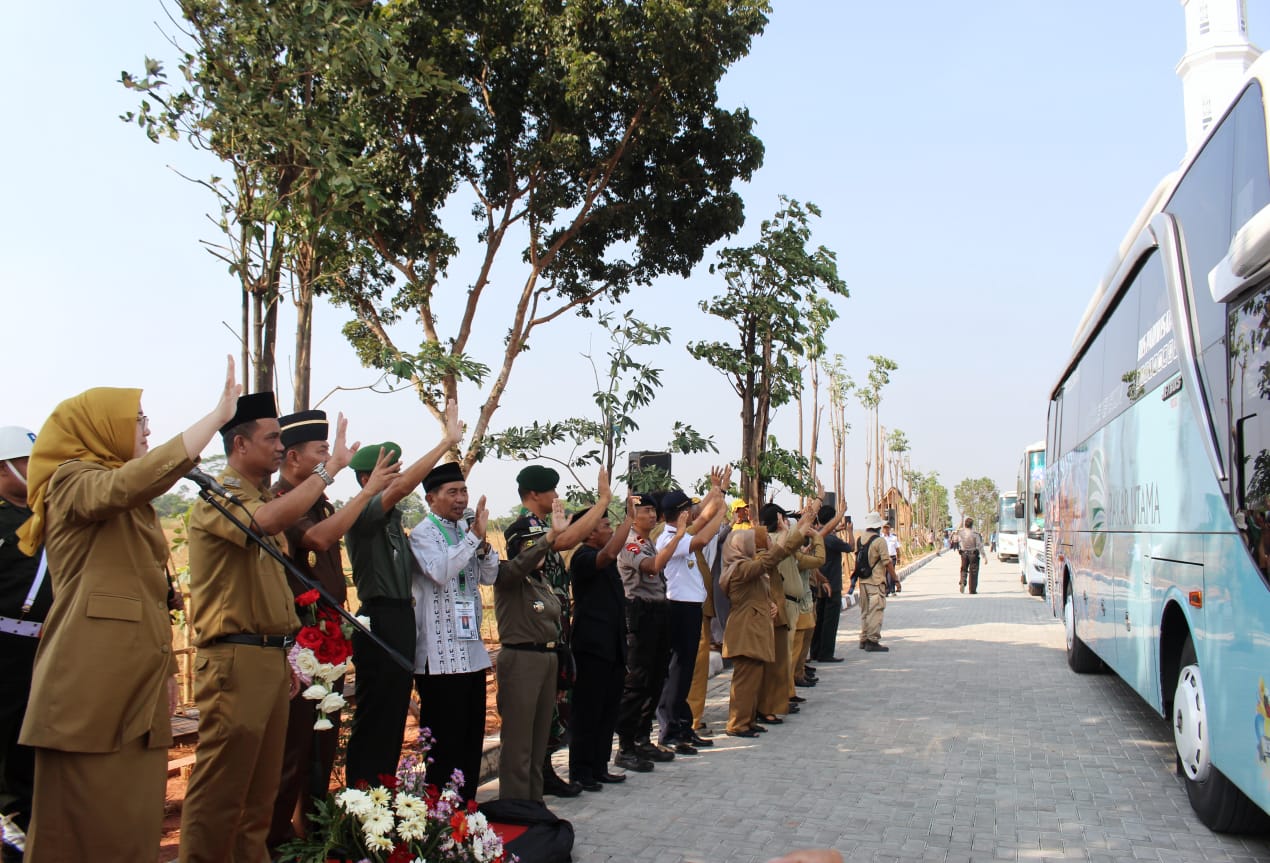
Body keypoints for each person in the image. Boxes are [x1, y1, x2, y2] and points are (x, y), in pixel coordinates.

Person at [17, 360, 238, 862]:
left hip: (134, 689)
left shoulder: (129, 499)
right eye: (138, 420)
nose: (147, 429)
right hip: (89, 692)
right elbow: (125, 485)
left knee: (131, 828)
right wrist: (214, 418)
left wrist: (163, 672)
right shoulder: (70, 481)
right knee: (79, 834)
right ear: (102, 426)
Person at [180, 389, 356, 863]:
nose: (281, 448)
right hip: (235, 657)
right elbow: (263, 522)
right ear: (240, 446)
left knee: (260, 796)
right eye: (273, 437)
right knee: (222, 790)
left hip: (273, 657)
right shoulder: (223, 494)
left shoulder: (262, 496)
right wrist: (329, 469)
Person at [267, 410, 400, 852]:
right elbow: (320, 540)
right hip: (298, 641)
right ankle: (278, 841)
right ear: (292, 457)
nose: (329, 456)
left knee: (323, 743)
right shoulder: (282, 500)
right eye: (321, 451)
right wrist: (366, 495)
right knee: (294, 750)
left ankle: (316, 834)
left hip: (328, 636)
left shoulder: (318, 502)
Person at [343, 407, 461, 789]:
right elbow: (403, 488)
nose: (396, 481)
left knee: (393, 714)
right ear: (366, 479)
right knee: (376, 713)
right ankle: (361, 795)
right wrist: (445, 443)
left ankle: (383, 790)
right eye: (388, 473)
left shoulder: (391, 519)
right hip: (379, 616)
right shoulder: (363, 514)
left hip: (401, 618)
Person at [503, 464, 611, 796]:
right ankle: (530, 787)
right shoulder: (524, 527)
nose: (556, 497)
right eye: (551, 491)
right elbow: (561, 542)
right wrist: (602, 502)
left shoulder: (543, 524)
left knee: (554, 710)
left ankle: (541, 776)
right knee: (533, 721)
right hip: (530, 634)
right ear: (534, 494)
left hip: (554, 632)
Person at [409, 460, 498, 802]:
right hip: (439, 659)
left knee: (470, 739)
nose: (461, 499)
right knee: (444, 745)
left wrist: (483, 544)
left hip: (471, 655)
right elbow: (441, 571)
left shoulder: (465, 532)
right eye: (452, 492)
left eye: (464, 491)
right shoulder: (422, 534)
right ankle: (440, 818)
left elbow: (488, 577)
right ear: (431, 498)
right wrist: (474, 537)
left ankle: (467, 813)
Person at [721, 508, 815, 738]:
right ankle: (737, 724)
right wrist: (790, 535)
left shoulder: (744, 567)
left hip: (753, 629)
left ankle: (748, 719)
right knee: (745, 681)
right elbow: (768, 560)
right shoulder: (739, 569)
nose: (753, 547)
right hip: (745, 631)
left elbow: (766, 566)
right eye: (747, 543)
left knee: (753, 680)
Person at [654, 470, 728, 754]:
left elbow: (700, 520)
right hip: (679, 608)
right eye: (687, 509)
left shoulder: (680, 533)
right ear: (678, 514)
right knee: (678, 669)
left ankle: (683, 725)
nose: (692, 512)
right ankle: (670, 729)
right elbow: (700, 539)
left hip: (691, 607)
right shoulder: (669, 538)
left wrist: (715, 493)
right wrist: (719, 513)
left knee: (687, 670)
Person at [567, 500, 635, 789]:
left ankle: (599, 766)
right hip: (591, 648)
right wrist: (629, 520)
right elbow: (608, 555)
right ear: (588, 533)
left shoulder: (602, 556)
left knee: (608, 710)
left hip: (613, 646)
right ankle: (581, 770)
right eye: (605, 525)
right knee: (588, 712)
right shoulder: (583, 557)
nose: (610, 529)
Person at [614, 494, 684, 771]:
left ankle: (643, 739)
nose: (652, 515)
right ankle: (626, 746)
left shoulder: (647, 541)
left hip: (657, 611)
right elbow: (652, 567)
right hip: (639, 612)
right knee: (638, 680)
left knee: (656, 678)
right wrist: (678, 537)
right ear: (632, 513)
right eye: (646, 510)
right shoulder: (630, 541)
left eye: (654, 510)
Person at [0, 426, 43, 863]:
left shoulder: (48, 516)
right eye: (30, 463)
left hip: (44, 651)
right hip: (4, 651)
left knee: (30, 754)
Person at [810, 506, 850, 663]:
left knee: (819, 620)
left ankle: (815, 651)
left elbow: (824, 532)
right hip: (832, 584)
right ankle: (826, 653)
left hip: (818, 583)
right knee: (830, 621)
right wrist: (850, 532)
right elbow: (850, 547)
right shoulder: (832, 540)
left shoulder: (815, 536)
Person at [856, 512, 893, 652]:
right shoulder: (879, 541)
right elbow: (887, 562)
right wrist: (895, 578)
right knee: (876, 610)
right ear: (878, 527)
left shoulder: (860, 539)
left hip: (863, 581)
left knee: (865, 611)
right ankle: (872, 640)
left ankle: (864, 638)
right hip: (876, 581)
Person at [957, 517, 987, 594]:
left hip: (964, 553)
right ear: (972, 525)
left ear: (965, 524)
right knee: (973, 571)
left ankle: (963, 582)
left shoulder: (961, 533)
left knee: (963, 569)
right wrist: (984, 557)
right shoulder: (975, 534)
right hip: (973, 554)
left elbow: (958, 540)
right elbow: (979, 545)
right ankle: (972, 589)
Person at [881, 523, 900, 595]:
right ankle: (886, 590)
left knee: (891, 574)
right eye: (884, 528)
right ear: (883, 529)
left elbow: (897, 548)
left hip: (892, 557)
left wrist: (899, 558)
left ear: (889, 528)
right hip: (884, 557)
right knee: (885, 574)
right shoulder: (881, 538)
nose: (886, 529)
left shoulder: (894, 538)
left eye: (887, 528)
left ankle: (892, 590)